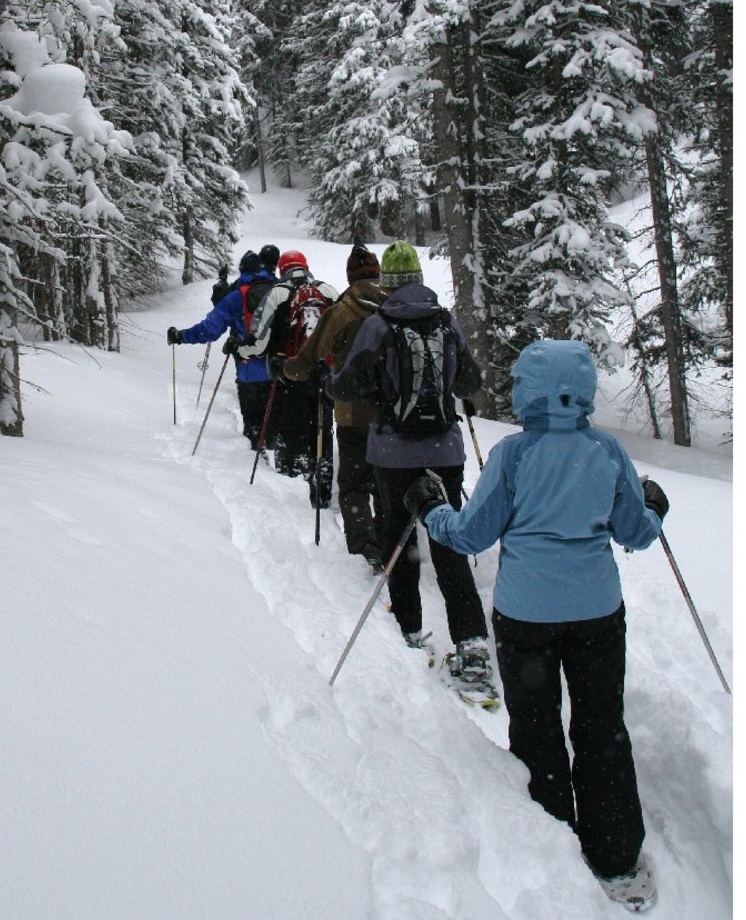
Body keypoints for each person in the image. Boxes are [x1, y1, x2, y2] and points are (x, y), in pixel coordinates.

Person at [402, 338, 668, 912]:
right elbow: (635, 533)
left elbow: (470, 534)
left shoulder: (515, 455)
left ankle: (553, 840)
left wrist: (430, 509)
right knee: (602, 729)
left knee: (537, 729)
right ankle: (618, 856)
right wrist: (654, 507)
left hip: (526, 618)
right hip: (598, 613)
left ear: (527, 391)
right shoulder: (606, 451)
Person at [325, 240, 494, 695]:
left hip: (392, 453)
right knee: (447, 543)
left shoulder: (379, 326)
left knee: (399, 541)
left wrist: (333, 382)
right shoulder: (444, 322)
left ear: (389, 282)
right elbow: (470, 380)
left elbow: (351, 383)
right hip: (445, 452)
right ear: (418, 277)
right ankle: (472, 644)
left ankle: (410, 630)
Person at [271, 242, 386, 568]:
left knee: (354, 483)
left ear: (350, 276)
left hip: (351, 411)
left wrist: (288, 370)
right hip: (390, 412)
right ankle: (388, 538)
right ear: (377, 273)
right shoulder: (392, 306)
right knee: (382, 480)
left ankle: (365, 548)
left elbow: (309, 356)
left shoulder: (343, 310)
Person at [244, 250, 340, 505]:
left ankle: (294, 483)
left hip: (289, 375)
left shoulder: (277, 294)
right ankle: (323, 480)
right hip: (324, 375)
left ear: (282, 268)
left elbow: (258, 341)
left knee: (291, 428)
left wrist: (241, 349)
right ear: (306, 267)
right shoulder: (327, 291)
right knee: (322, 428)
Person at [167, 250, 277, 448]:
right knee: (277, 430)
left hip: (249, 371)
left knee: (254, 429)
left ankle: (257, 462)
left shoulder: (238, 295)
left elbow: (210, 329)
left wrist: (181, 336)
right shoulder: (279, 289)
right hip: (280, 370)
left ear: (242, 270)